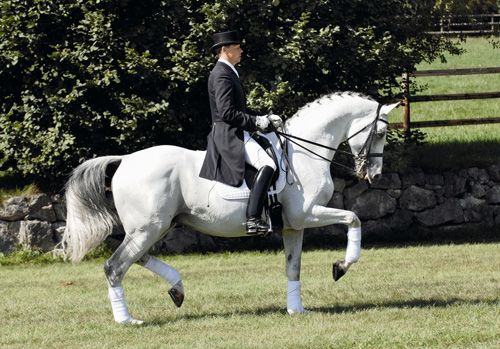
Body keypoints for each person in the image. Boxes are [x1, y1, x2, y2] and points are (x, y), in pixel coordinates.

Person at [199, 30, 283, 235]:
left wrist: (264, 119)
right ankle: (253, 219)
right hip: (229, 134)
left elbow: (239, 111)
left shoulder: (229, 71)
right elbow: (227, 113)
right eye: (237, 47)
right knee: (268, 164)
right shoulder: (221, 74)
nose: (241, 50)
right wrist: (256, 121)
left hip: (237, 130)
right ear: (225, 49)